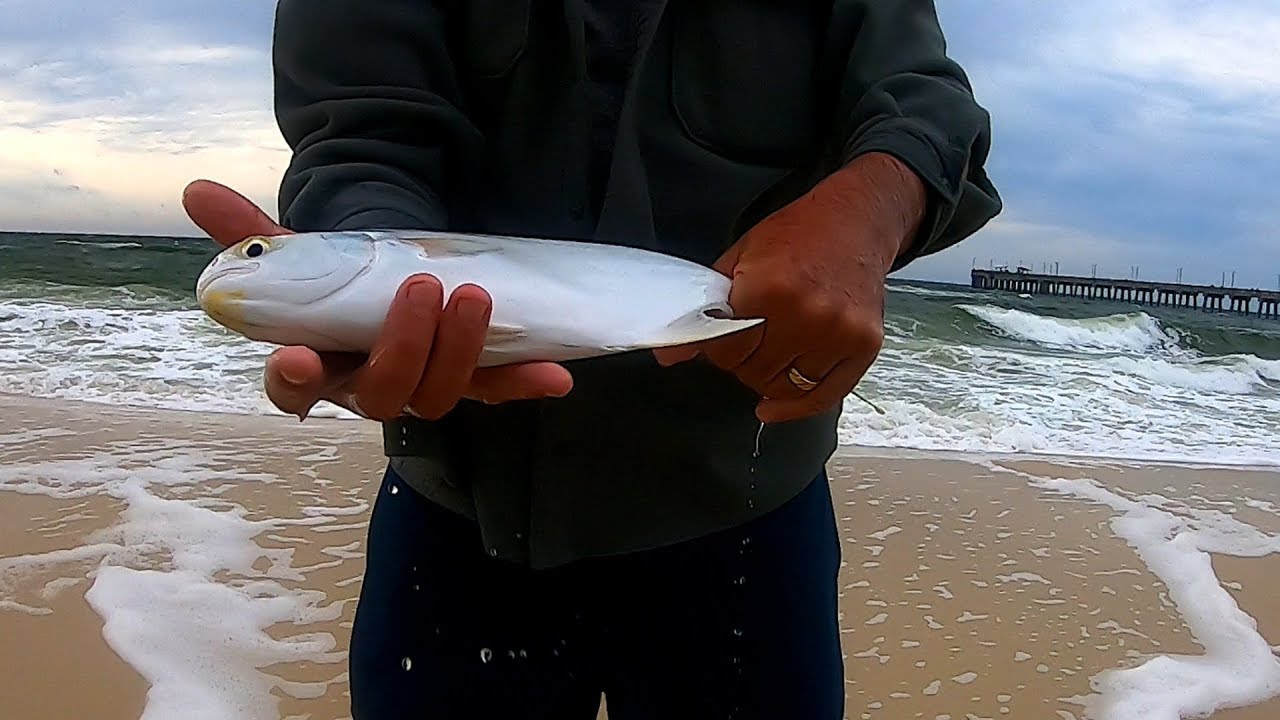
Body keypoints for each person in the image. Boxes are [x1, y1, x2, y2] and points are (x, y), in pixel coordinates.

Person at [184, 1, 1001, 717]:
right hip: (458, 501)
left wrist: (871, 206)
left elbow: (924, 100)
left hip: (746, 501)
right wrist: (368, 263)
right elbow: (365, 130)